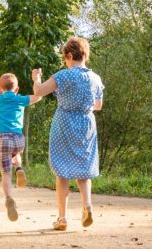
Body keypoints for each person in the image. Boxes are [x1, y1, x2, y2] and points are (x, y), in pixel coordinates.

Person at [31, 37, 104, 231]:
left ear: (70, 56)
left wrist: (36, 78)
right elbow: (98, 105)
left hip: (64, 123)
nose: (65, 61)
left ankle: (62, 218)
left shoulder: (64, 76)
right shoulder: (95, 78)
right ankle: (87, 205)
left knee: (62, 171)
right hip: (87, 124)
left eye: (65, 58)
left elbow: (39, 91)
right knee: (84, 168)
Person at [0, 65, 41, 221]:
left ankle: (8, 198)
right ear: (17, 89)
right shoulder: (20, 99)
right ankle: (19, 168)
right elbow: (37, 96)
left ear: (0, 89)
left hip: (4, 139)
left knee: (5, 174)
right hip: (19, 138)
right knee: (16, 153)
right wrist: (36, 79)